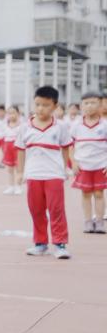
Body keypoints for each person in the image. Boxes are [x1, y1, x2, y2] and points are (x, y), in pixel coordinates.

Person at [17, 86, 74, 259]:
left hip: (54, 175)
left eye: (46, 105)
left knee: (56, 210)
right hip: (33, 175)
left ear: (55, 106)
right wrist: (20, 172)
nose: (40, 108)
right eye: (38, 104)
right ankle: (40, 243)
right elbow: (20, 150)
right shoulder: (25, 127)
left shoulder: (60, 127)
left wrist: (65, 168)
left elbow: (66, 148)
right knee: (36, 210)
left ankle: (60, 244)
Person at [71, 91, 107, 234]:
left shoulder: (104, 125)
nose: (89, 106)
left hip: (100, 165)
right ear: (81, 106)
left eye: (93, 103)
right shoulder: (76, 125)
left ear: (100, 105)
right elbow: (70, 145)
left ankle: (99, 221)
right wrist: (73, 162)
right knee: (86, 194)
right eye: (86, 103)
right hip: (83, 166)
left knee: (99, 194)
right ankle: (87, 221)